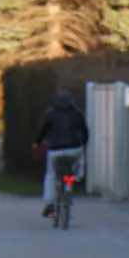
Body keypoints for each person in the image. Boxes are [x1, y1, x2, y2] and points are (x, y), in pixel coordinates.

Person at [35, 90, 89, 218]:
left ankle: (49, 203)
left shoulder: (51, 114)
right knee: (78, 161)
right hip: (74, 149)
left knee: (51, 174)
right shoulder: (77, 114)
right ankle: (74, 177)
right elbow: (85, 131)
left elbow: (43, 130)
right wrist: (84, 145)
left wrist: (37, 142)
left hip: (55, 150)